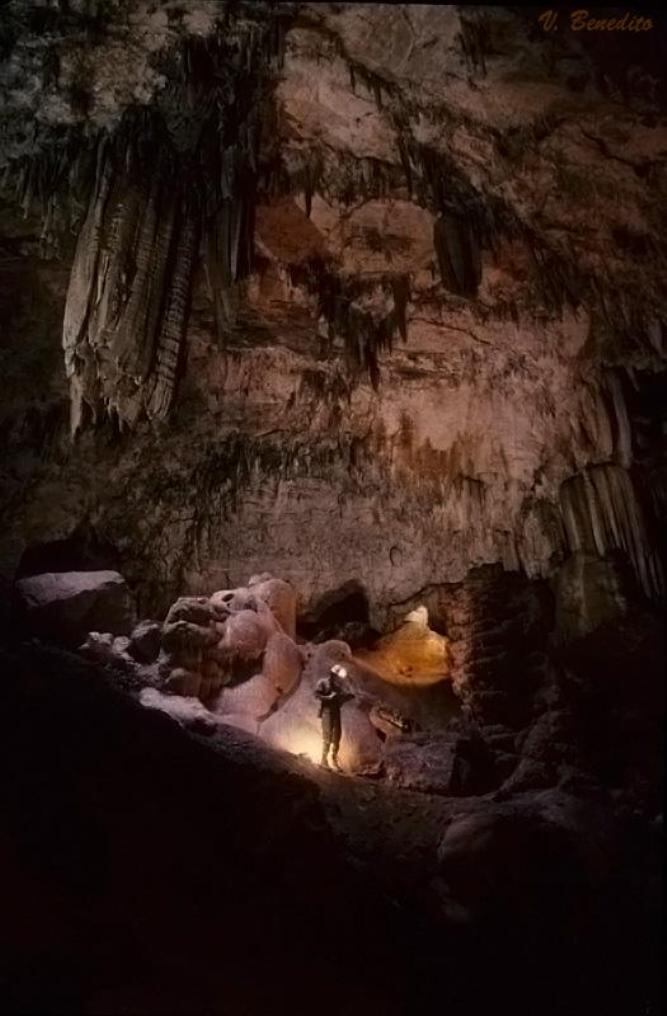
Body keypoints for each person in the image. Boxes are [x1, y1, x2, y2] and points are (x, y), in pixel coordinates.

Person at [314, 664, 350, 770]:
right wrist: (328, 697)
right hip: (327, 712)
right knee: (327, 736)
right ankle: (323, 760)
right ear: (333, 674)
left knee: (337, 736)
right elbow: (316, 694)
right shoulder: (323, 683)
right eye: (338, 676)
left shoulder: (338, 688)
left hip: (336, 712)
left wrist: (345, 698)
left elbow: (339, 701)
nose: (339, 679)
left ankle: (334, 759)